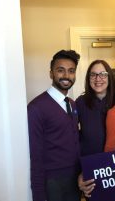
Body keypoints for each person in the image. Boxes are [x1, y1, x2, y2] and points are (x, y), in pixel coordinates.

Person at [27, 50, 81, 201]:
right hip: (53, 182)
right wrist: (39, 195)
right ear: (51, 73)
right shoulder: (36, 108)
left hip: (75, 178)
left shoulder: (72, 104)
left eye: (71, 71)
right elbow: (35, 155)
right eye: (60, 70)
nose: (66, 76)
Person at [75, 60, 115, 198]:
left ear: (109, 77)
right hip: (91, 171)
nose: (98, 79)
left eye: (103, 74)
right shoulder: (80, 103)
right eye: (93, 75)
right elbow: (74, 138)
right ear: (88, 78)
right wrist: (80, 171)